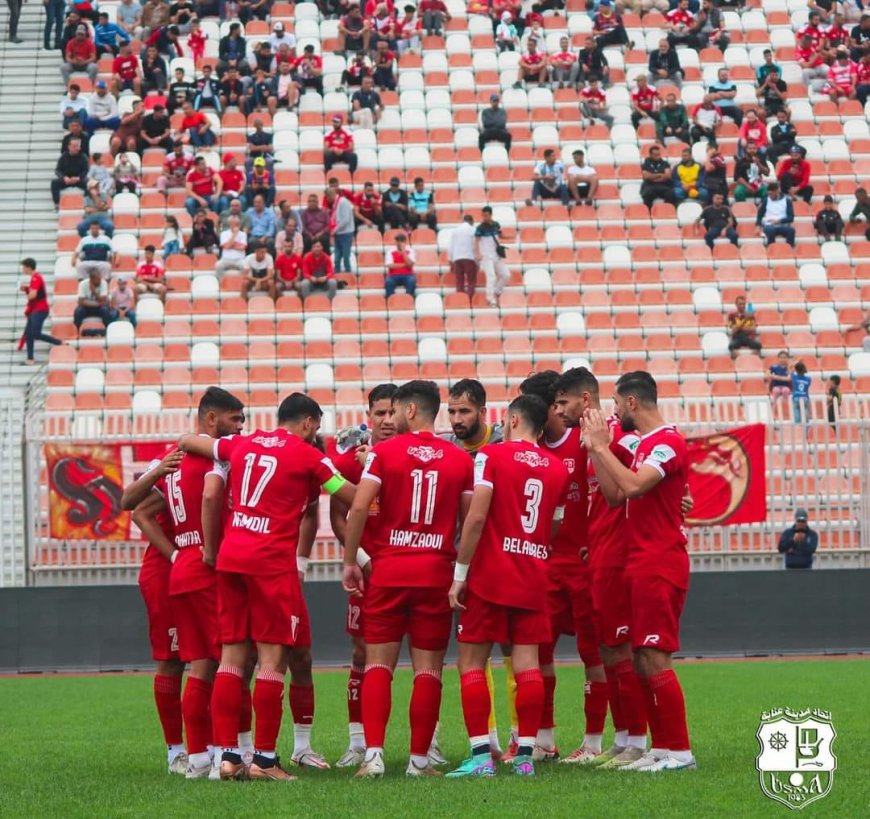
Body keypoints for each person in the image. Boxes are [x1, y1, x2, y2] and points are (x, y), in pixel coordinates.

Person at [179, 393, 355, 782]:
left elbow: (190, 442)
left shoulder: (244, 442)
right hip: (270, 564)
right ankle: (264, 760)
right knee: (272, 660)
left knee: (231, 657)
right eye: (317, 427)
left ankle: (228, 757)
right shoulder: (308, 455)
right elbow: (350, 495)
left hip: (231, 556)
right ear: (308, 423)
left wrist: (189, 443)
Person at [342, 380, 472, 779]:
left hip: (389, 570)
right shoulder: (460, 459)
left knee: (378, 665)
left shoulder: (384, 452)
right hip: (435, 571)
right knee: (428, 669)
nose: (390, 418)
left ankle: (374, 757)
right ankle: (418, 761)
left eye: (395, 410)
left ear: (411, 411)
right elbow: (468, 522)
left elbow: (360, 506)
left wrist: (350, 560)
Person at [445, 394, 570, 780]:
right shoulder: (557, 468)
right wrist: (532, 548)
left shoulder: (491, 457)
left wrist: (460, 574)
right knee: (527, 664)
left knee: (471, 663)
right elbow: (554, 524)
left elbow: (477, 517)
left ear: (513, 420)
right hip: (532, 573)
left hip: (490, 575)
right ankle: (526, 757)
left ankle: (482, 757)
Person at [582, 371, 696, 772]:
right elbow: (615, 496)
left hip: (659, 559)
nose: (612, 411)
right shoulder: (646, 444)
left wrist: (601, 445)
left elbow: (632, 486)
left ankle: (679, 751)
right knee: (641, 656)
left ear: (631, 403)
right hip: (638, 560)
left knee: (654, 654)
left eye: (615, 402)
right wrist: (597, 451)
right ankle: (661, 747)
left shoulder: (668, 442)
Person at [129, 388, 245, 779]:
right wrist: (189, 551)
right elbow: (134, 505)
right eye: (235, 418)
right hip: (191, 565)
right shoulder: (205, 460)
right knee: (216, 661)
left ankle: (199, 756)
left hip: (183, 567)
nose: (240, 427)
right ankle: (211, 752)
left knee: (199, 665)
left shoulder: (183, 459)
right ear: (211, 420)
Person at [553, 368, 649, 769]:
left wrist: (682, 495)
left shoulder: (617, 437)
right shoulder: (591, 441)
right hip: (599, 557)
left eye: (564, 403)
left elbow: (643, 478)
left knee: (624, 650)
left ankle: (638, 741)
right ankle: (624, 738)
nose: (559, 411)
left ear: (585, 401)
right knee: (610, 650)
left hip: (619, 559)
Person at [515, 373, 608, 767]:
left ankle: (594, 741)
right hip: (544, 568)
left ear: (551, 406)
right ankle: (544, 740)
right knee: (539, 654)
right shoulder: (529, 451)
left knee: (593, 653)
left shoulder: (583, 439)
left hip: (584, 566)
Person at [328, 385, 399, 767]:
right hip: (369, 571)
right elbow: (339, 516)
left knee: (426, 659)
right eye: (380, 413)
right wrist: (360, 556)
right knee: (361, 654)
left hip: (408, 567)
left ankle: (430, 743)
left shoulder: (411, 457)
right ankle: (358, 742)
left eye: (393, 412)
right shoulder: (349, 462)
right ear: (369, 414)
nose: (387, 420)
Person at [19, 258, 62, 365]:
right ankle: (30, 359)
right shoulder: (35, 278)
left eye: (24, 267)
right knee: (29, 333)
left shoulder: (35, 278)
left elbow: (33, 295)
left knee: (35, 333)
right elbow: (36, 292)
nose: (23, 269)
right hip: (37, 309)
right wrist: (27, 289)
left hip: (40, 309)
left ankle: (59, 342)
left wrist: (28, 294)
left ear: (28, 267)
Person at [475, 206, 510, 307]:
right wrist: (478, 254)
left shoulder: (496, 225)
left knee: (506, 275)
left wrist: (510, 236)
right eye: (483, 215)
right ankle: (490, 299)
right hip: (487, 256)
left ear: (490, 215)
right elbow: (476, 241)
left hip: (496, 255)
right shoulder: (480, 228)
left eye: (486, 215)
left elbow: (500, 235)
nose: (484, 217)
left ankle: (497, 291)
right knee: (491, 277)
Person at [756, 182, 795, 247]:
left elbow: (791, 218)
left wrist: (778, 221)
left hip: (782, 224)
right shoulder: (766, 200)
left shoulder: (787, 201)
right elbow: (760, 215)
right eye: (769, 194)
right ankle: (771, 250)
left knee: (791, 231)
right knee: (771, 231)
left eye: (771, 194)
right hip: (769, 224)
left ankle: (789, 251)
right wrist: (758, 226)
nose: (770, 196)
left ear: (777, 192)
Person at [767, 349, 792, 420]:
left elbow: (789, 378)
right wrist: (772, 376)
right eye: (781, 357)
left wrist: (776, 377)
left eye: (784, 357)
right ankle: (773, 414)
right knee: (776, 391)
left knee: (785, 391)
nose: (783, 359)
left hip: (786, 386)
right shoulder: (773, 367)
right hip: (775, 386)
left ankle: (785, 413)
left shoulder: (789, 368)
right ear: (778, 358)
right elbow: (768, 375)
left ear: (787, 358)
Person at [791, 361, 812, 428]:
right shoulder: (809, 379)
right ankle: (806, 430)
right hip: (805, 397)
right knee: (805, 416)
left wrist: (795, 363)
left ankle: (798, 430)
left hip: (796, 397)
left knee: (797, 415)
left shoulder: (794, 377)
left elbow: (790, 369)